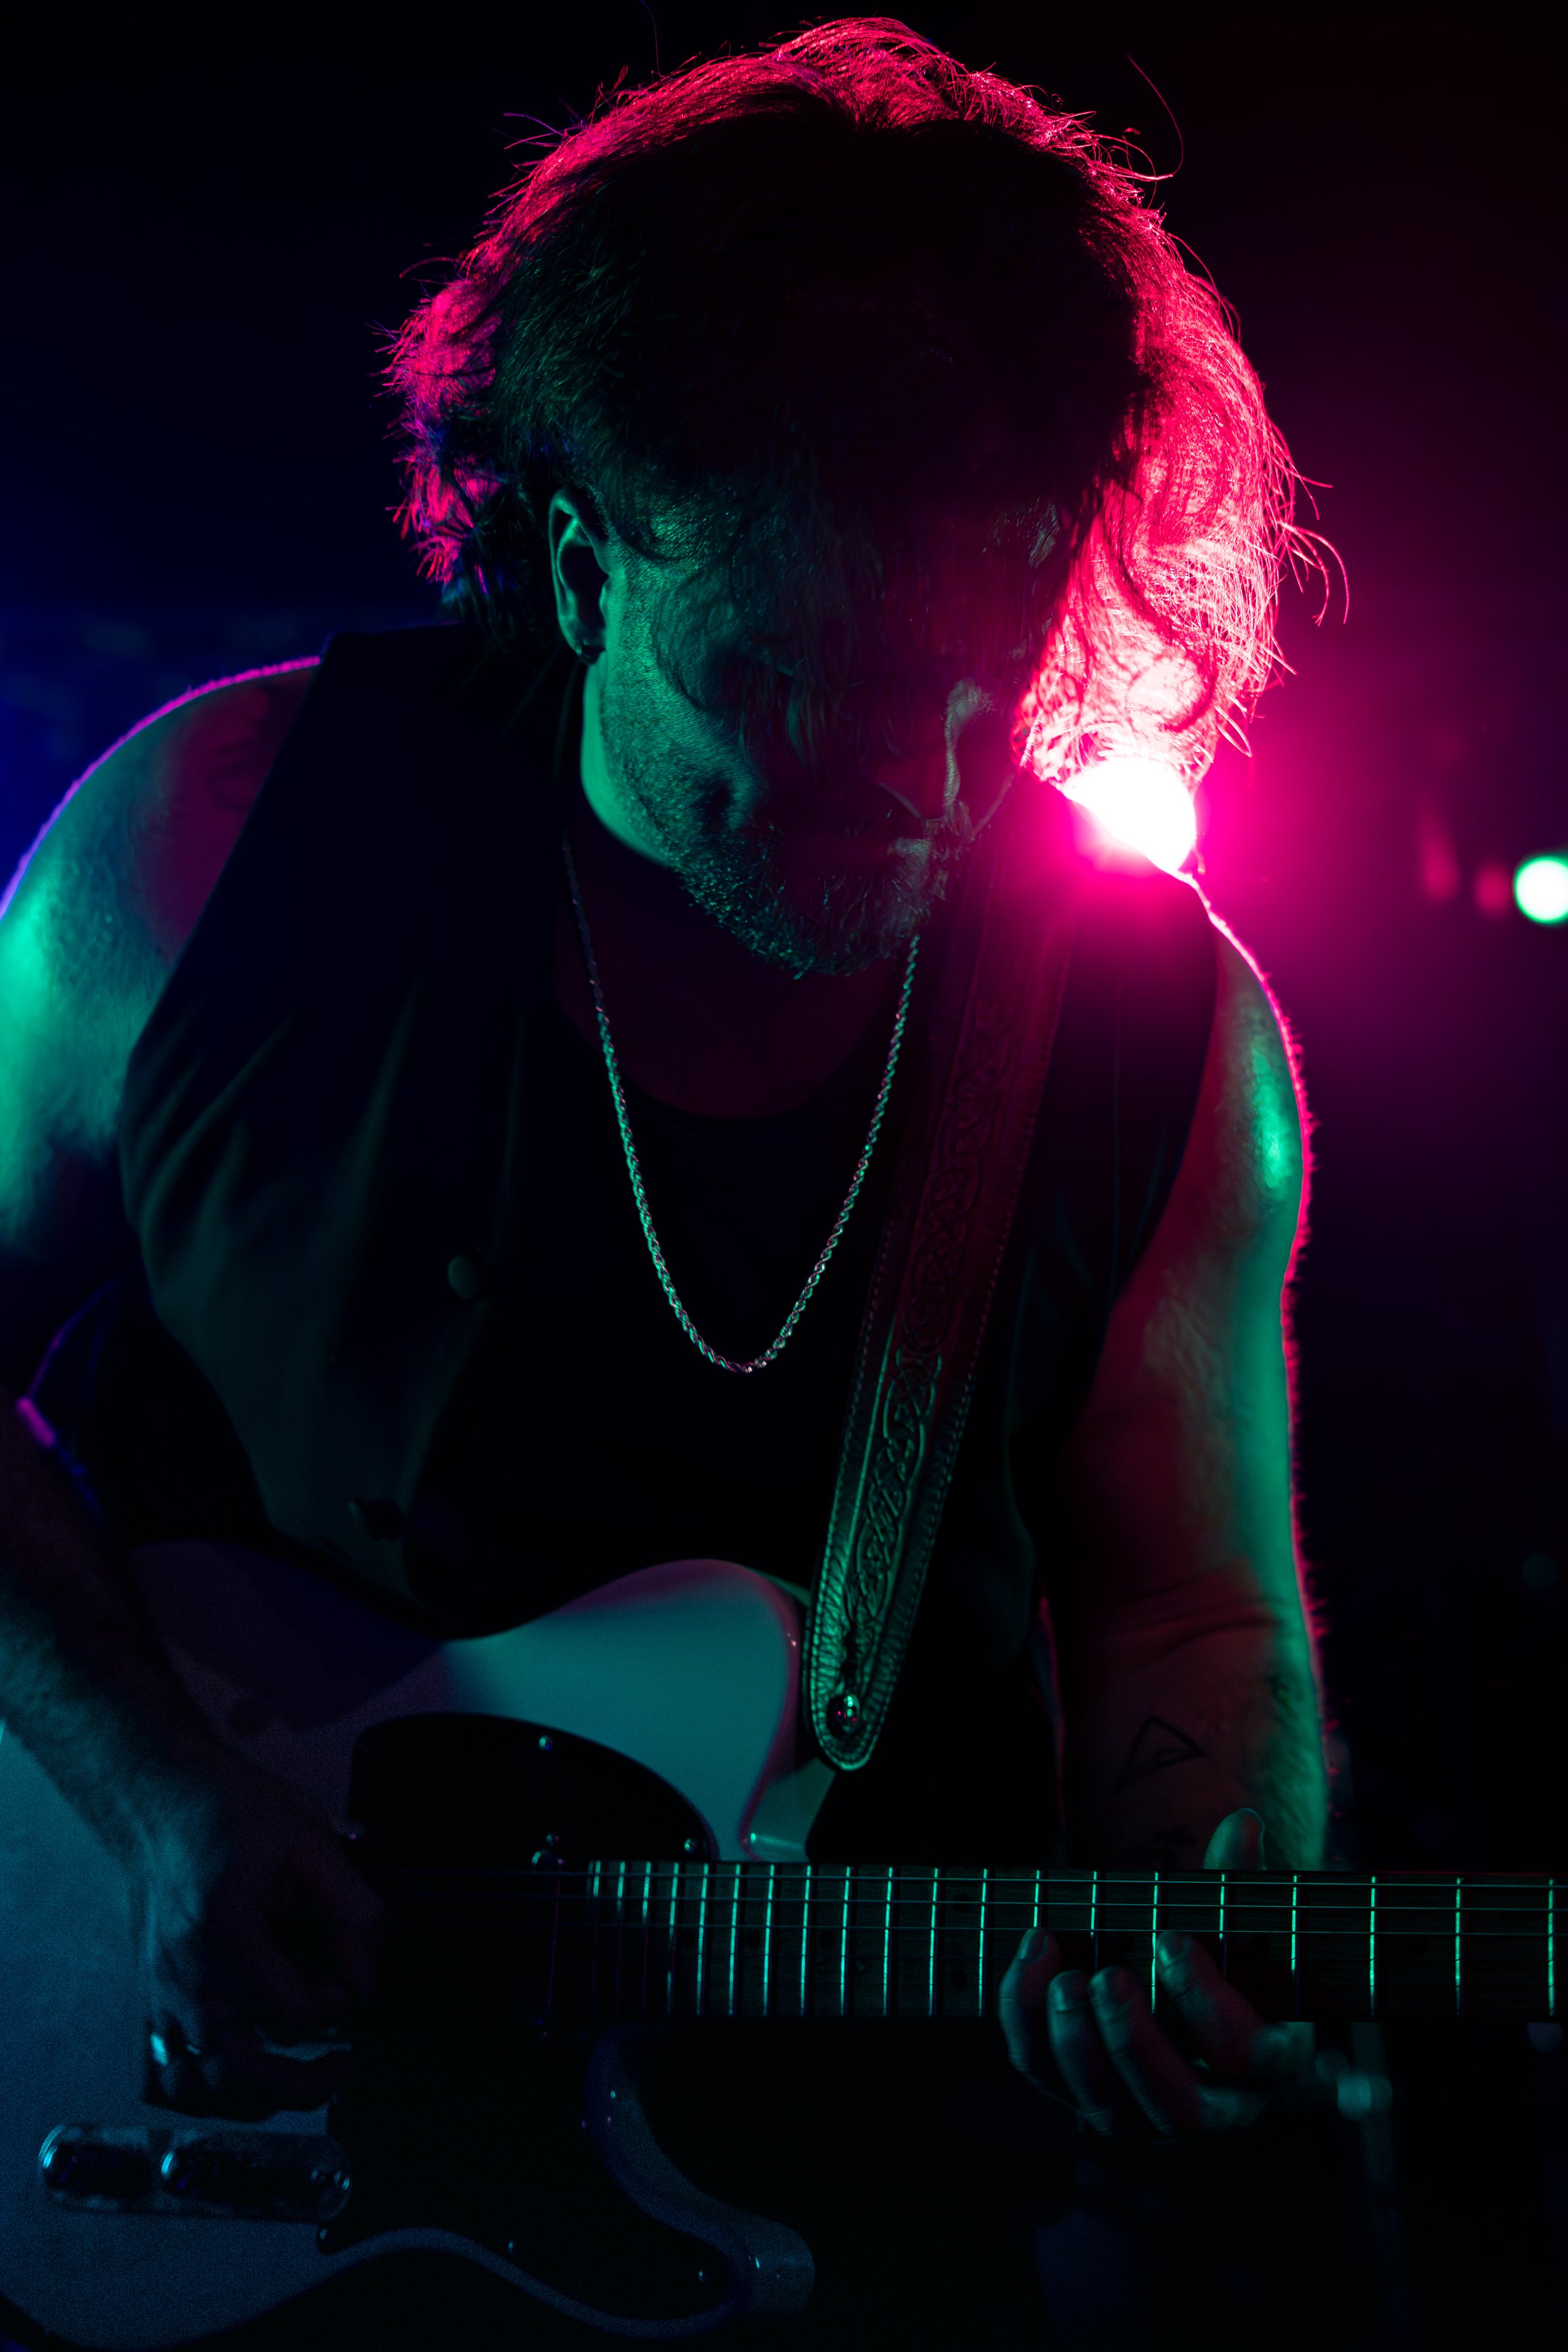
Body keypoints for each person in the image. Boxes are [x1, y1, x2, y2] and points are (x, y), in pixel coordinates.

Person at [0, 19, 1327, 2344]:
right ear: (580, 557)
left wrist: (1186, 1912)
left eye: (984, 682)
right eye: (800, 686)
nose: (924, 794)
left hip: (841, 2204)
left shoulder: (1157, 1036)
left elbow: (1194, 1617)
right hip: (212, 2151)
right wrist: (157, 1794)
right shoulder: (207, 855)